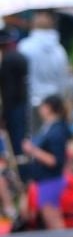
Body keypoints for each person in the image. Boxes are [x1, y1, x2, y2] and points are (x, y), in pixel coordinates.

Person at [21, 94, 71, 230]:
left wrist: (32, 150)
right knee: (50, 218)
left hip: (51, 179)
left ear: (49, 108)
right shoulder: (49, 127)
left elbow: (55, 160)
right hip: (45, 180)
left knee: (53, 219)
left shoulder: (56, 130)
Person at [17, 12, 70, 113]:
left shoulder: (24, 47)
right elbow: (63, 79)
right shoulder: (60, 50)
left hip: (31, 101)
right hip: (53, 102)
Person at [0, 25, 28, 158]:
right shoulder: (19, 56)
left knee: (15, 142)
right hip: (21, 104)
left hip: (12, 107)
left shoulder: (7, 60)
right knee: (20, 139)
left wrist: (4, 113)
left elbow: (9, 90)